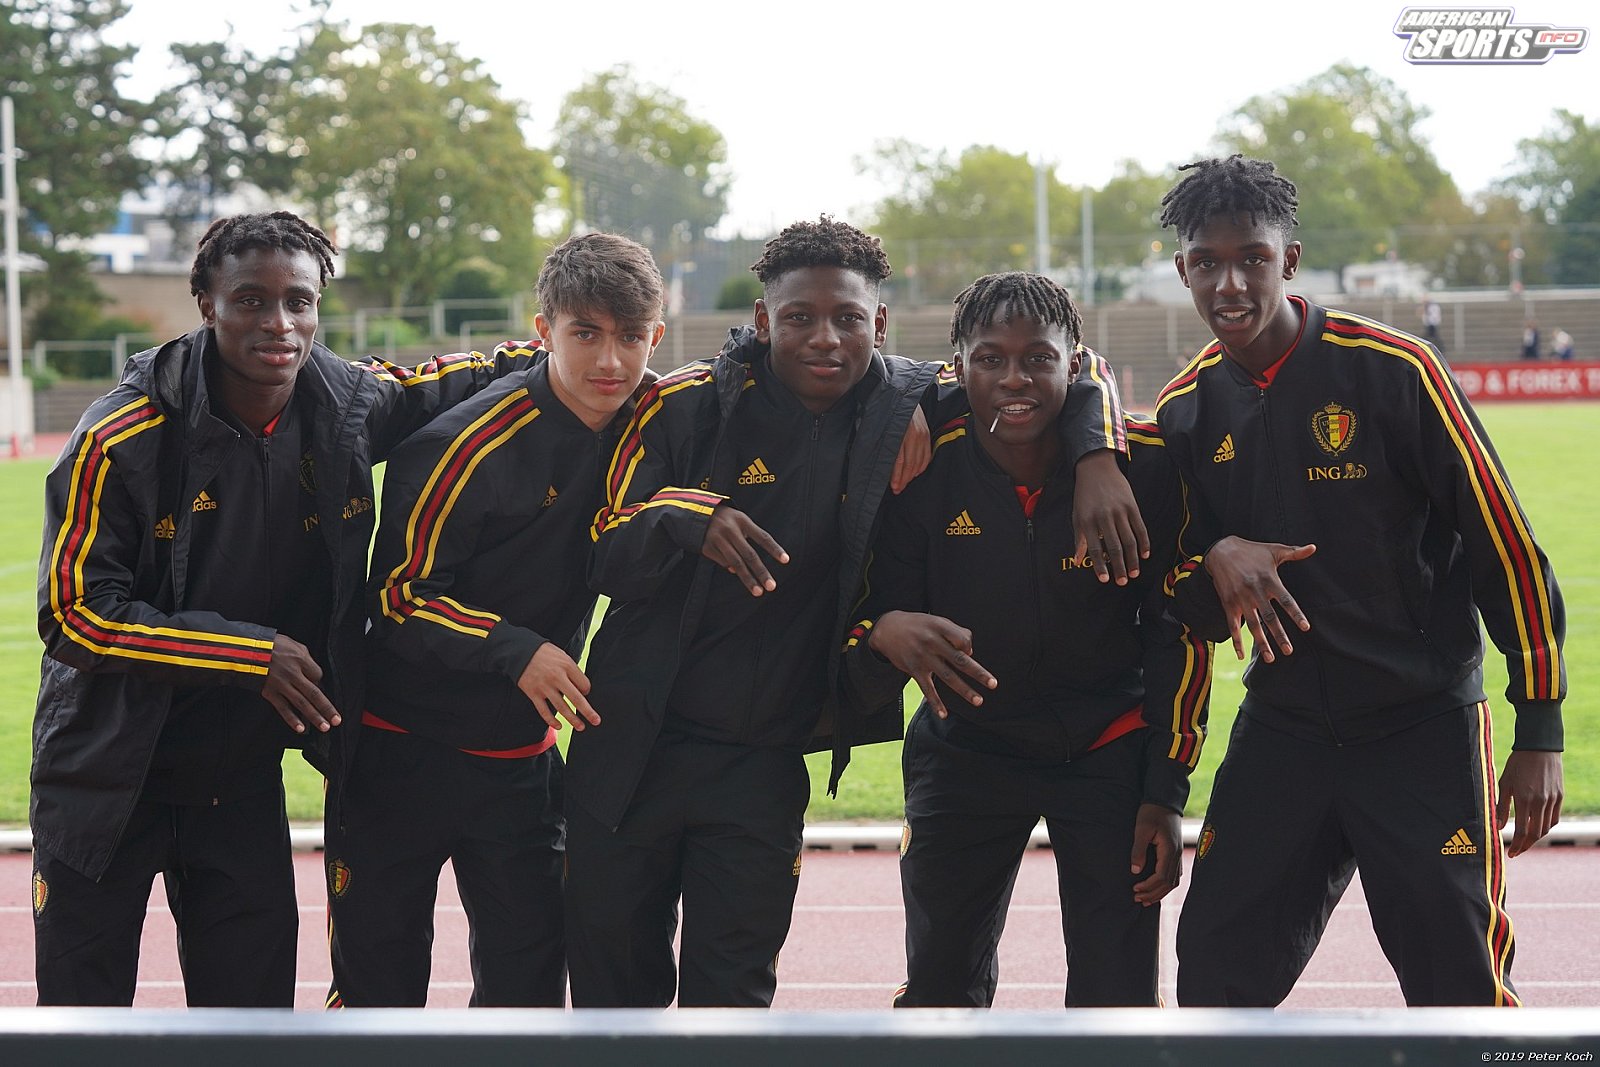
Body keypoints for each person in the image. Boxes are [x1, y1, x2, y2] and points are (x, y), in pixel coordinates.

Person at [562, 217, 1143, 1009]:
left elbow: (1069, 364)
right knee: (611, 996)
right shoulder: (684, 404)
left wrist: (1098, 453)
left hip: (761, 759)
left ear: (881, 323)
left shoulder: (905, 401)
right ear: (763, 319)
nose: (825, 338)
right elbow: (601, 551)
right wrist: (688, 515)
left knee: (731, 1000)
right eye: (799, 317)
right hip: (631, 746)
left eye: (848, 318)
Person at [32, 211, 539, 1007]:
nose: (279, 323)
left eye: (298, 301)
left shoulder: (347, 405)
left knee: (254, 1023)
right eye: (251, 300)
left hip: (236, 777)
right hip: (105, 773)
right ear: (207, 303)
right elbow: (73, 614)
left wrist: (578, 351)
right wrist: (247, 654)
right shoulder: (121, 434)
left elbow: (454, 379)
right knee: (81, 1023)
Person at [1154, 155, 1566, 1007]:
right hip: (1286, 728)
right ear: (1183, 269)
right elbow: (1178, 595)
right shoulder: (1186, 410)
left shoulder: (1396, 369)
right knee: (1214, 974)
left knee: (1460, 985)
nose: (1230, 283)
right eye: (1207, 262)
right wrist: (1215, 554)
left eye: (1252, 258)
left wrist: (1540, 727)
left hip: (1421, 726)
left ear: (1289, 259)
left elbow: (1506, 544)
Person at [841, 272, 1210, 1008]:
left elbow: (1178, 633)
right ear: (959, 366)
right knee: (941, 988)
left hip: (1108, 746)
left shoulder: (1144, 462)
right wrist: (883, 631)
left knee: (1116, 998)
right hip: (967, 747)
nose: (1015, 378)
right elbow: (865, 609)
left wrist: (1164, 790)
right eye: (990, 359)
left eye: (1039, 358)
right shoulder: (922, 464)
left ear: (1076, 363)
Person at [320, 233, 668, 1007]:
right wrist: (516, 649)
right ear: (544, 330)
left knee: (527, 996)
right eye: (586, 334)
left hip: (520, 761)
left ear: (657, 336)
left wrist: (914, 405)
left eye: (631, 337)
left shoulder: (653, 415)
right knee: (377, 994)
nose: (610, 360)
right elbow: (398, 597)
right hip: (399, 754)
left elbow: (760, 381)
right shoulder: (462, 443)